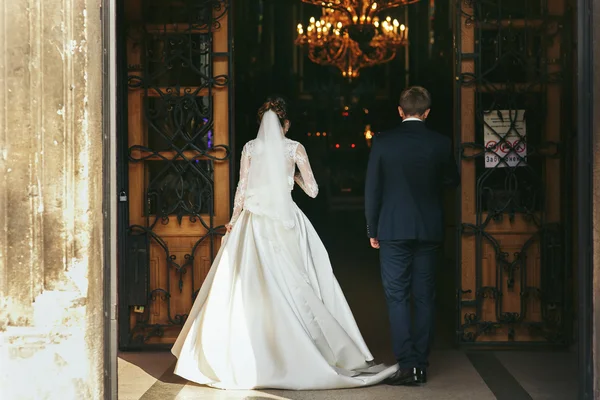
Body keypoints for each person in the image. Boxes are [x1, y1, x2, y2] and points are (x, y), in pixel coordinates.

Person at [171, 96, 398, 390]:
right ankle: (300, 347)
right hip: (287, 222)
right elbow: (314, 191)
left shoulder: (250, 148)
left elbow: (242, 187)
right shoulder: (294, 148)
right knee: (295, 282)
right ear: (286, 124)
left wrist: (232, 220)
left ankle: (247, 351)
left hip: (253, 222)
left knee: (249, 285)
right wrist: (291, 179)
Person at [365, 86, 460, 386]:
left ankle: (407, 365)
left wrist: (372, 228)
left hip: (392, 228)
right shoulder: (441, 143)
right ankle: (420, 363)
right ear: (427, 112)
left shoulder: (383, 142)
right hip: (429, 229)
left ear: (400, 110)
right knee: (424, 297)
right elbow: (452, 180)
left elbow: (373, 189)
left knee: (397, 296)